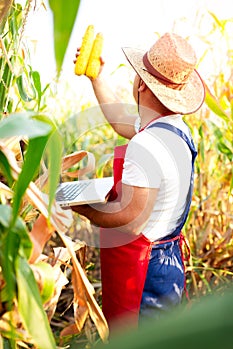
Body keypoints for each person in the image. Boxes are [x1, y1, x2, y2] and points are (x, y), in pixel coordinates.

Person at [72, 32, 205, 332]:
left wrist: (82, 206)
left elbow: (130, 219)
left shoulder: (147, 145)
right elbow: (121, 122)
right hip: (169, 258)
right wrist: (97, 79)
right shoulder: (174, 129)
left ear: (142, 83)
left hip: (144, 272)